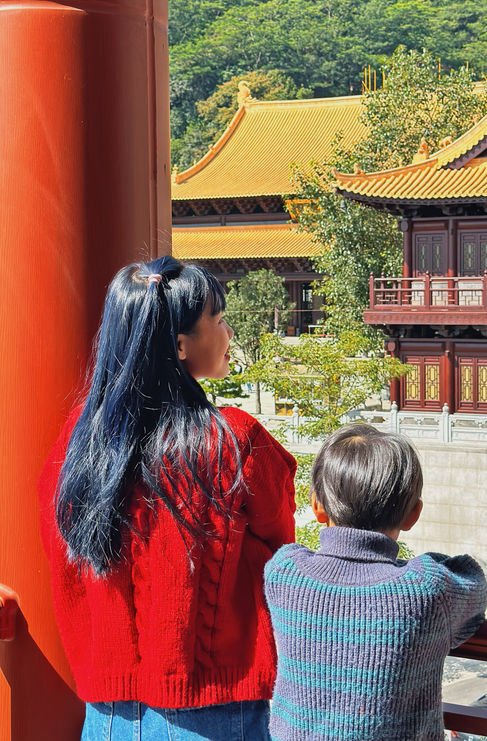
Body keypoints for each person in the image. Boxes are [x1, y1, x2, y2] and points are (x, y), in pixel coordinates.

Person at [38, 256, 296, 740]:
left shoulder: (78, 445)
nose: (229, 332)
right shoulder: (235, 442)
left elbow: (64, 558)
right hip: (217, 712)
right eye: (218, 320)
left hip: (107, 716)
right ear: (180, 346)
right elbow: (283, 548)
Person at [264, 424, 487, 741]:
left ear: (316, 506)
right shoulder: (427, 589)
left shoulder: (284, 572)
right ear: (413, 515)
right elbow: (470, 579)